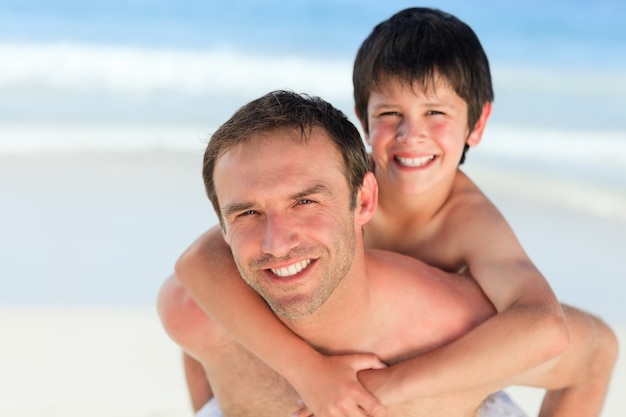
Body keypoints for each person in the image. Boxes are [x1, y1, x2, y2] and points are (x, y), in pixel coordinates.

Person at [169, 8, 619, 416]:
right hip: (349, 336)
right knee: (197, 305)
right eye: (389, 113)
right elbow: (198, 262)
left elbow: (543, 326)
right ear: (363, 120)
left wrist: (387, 386)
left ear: (477, 125)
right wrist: (307, 371)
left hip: (438, 364)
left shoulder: (468, 219)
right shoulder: (335, 183)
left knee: (595, 347)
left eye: (435, 112)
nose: (411, 135)